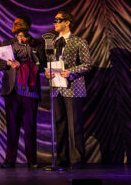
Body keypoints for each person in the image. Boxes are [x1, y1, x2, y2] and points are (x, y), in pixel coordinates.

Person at [0, 15, 45, 169]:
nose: (14, 25)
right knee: (12, 127)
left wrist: (26, 63)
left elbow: (42, 66)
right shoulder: (7, 43)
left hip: (29, 90)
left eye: (17, 23)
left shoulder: (36, 44)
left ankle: (32, 160)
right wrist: (8, 62)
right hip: (12, 90)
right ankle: (10, 159)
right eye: (14, 23)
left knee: (30, 126)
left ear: (25, 26)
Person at [44, 10, 91, 169]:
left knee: (74, 125)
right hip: (56, 88)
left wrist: (71, 72)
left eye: (58, 20)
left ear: (67, 22)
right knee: (60, 125)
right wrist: (48, 73)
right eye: (54, 20)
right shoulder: (51, 42)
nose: (55, 23)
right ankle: (62, 160)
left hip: (73, 88)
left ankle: (77, 160)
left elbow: (87, 65)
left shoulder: (79, 41)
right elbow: (50, 63)